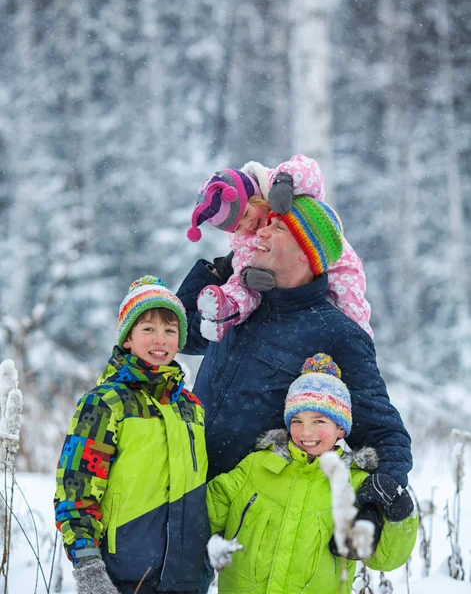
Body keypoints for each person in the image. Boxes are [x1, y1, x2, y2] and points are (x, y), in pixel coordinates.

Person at [177, 193, 413, 491]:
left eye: (278, 228)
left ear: (306, 252)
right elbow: (180, 332)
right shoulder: (237, 304)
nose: (260, 231)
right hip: (188, 491)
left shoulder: (336, 333)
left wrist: (380, 499)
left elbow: (383, 433)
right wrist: (220, 270)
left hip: (251, 516)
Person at [206, 354, 418, 594]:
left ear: (340, 428)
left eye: (319, 421)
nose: (306, 431)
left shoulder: (355, 485)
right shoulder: (257, 466)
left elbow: (385, 559)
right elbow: (202, 516)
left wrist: (399, 512)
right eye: (297, 420)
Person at [54, 276, 209, 594]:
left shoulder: (192, 409)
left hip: (187, 578)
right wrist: (89, 567)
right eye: (148, 329)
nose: (160, 340)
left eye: (169, 330)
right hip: (124, 575)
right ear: (128, 338)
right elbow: (75, 491)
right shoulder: (105, 403)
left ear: (180, 341)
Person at [186, 154, 373, 342]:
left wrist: (286, 182)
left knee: (348, 300)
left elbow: (309, 171)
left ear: (255, 195)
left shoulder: (277, 185)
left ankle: (359, 340)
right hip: (299, 287)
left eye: (246, 214)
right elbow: (242, 261)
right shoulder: (246, 240)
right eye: (237, 227)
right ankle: (224, 312)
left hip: (332, 254)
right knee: (241, 288)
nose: (247, 226)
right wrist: (246, 275)